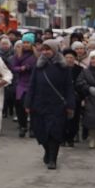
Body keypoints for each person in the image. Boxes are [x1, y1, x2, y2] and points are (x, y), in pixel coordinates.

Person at [26, 40, 76, 170]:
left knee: (55, 132)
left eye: (48, 49)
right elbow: (32, 85)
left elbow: (69, 87)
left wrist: (70, 105)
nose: (45, 52)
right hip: (39, 103)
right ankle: (47, 151)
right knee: (40, 131)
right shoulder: (38, 66)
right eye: (43, 49)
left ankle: (53, 158)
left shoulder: (63, 67)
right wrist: (28, 102)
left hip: (57, 105)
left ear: (54, 50)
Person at [9, 37, 37, 139]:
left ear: (32, 44)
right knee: (20, 105)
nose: (25, 45)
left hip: (33, 83)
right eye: (24, 42)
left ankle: (33, 128)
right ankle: (23, 126)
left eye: (28, 43)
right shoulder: (18, 55)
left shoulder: (36, 55)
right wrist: (22, 68)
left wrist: (31, 67)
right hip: (21, 83)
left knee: (32, 106)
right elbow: (13, 67)